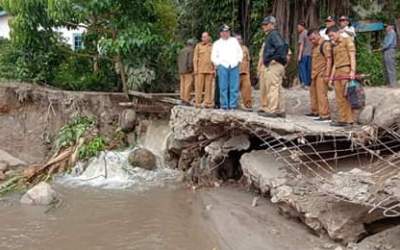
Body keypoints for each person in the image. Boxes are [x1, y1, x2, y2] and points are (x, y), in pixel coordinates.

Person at [258, 16, 288, 118]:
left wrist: (274, 59)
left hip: (274, 65)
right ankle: (280, 109)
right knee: (277, 87)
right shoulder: (273, 35)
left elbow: (281, 47)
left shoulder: (273, 34)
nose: (264, 26)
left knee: (272, 87)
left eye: (266, 24)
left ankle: (272, 110)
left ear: (272, 24)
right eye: (263, 24)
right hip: (278, 65)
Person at [327, 26, 357, 127]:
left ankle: (350, 120)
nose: (331, 38)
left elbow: (352, 56)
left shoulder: (347, 41)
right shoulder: (334, 46)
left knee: (347, 95)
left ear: (337, 32)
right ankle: (342, 119)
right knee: (339, 97)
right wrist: (331, 77)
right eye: (329, 36)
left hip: (346, 70)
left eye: (332, 35)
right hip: (337, 72)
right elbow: (335, 63)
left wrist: (352, 71)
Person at [211, 24, 243, 110]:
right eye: (224, 32)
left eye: (228, 31)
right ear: (220, 33)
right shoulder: (217, 43)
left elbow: (239, 52)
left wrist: (238, 61)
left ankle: (233, 105)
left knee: (234, 86)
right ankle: (224, 105)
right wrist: (218, 64)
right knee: (223, 86)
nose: (226, 33)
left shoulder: (234, 41)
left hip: (234, 65)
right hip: (223, 66)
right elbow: (213, 56)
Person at [307, 29, 332, 121]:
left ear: (318, 35)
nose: (312, 41)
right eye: (310, 40)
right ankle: (315, 111)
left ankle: (325, 114)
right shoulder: (314, 46)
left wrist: (327, 74)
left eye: (313, 38)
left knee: (321, 94)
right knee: (313, 92)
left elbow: (329, 59)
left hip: (322, 72)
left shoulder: (325, 44)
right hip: (314, 73)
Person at [193, 32, 215, 108]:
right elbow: (195, 58)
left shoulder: (212, 46)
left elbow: (214, 58)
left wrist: (215, 69)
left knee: (208, 87)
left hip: (209, 70)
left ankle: (207, 102)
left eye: (205, 37)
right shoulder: (198, 46)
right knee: (198, 86)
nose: (204, 38)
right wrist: (195, 68)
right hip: (200, 69)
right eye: (203, 37)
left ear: (209, 37)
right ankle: (198, 102)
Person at [235, 34, 252, 110]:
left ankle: (247, 104)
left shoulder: (245, 48)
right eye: (237, 39)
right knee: (234, 89)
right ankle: (233, 104)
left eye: (239, 39)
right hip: (235, 72)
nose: (238, 40)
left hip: (245, 72)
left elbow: (248, 60)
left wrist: (248, 71)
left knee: (247, 89)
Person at [177, 39, 195, 105]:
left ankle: (182, 98)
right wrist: (191, 69)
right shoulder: (191, 50)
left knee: (182, 85)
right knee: (188, 85)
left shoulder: (181, 50)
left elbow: (178, 60)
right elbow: (190, 61)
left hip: (181, 70)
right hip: (187, 71)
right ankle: (186, 99)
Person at [297, 21, 312, 88]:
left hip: (304, 54)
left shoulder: (302, 34)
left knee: (302, 68)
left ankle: (304, 83)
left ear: (302, 26)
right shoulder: (308, 33)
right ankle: (308, 83)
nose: (298, 28)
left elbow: (301, 45)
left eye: (298, 27)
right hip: (310, 54)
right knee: (308, 69)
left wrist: (299, 55)